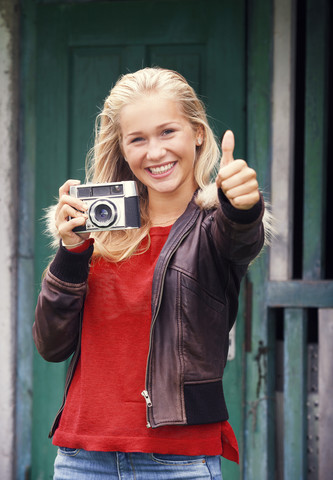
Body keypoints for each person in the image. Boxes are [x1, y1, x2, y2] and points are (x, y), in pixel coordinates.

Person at [33, 67, 265, 480]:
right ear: (121, 148)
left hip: (178, 460)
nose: (154, 152)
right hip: (81, 457)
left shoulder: (214, 228)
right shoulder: (98, 233)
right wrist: (71, 254)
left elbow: (241, 235)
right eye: (137, 139)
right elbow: (51, 345)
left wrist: (242, 205)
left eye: (167, 132)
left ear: (197, 132)